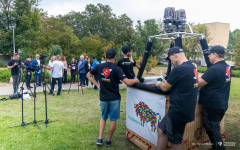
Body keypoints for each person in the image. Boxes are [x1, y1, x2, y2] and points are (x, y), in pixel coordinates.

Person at [87, 48, 139, 147]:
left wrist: (97, 85)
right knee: (113, 119)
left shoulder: (99, 66)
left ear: (106, 56)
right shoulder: (117, 68)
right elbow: (127, 82)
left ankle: (100, 138)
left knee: (103, 117)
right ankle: (109, 140)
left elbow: (88, 75)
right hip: (114, 98)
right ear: (115, 57)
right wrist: (136, 80)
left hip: (103, 97)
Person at [155, 46, 198, 150]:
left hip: (178, 111)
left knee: (175, 141)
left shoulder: (179, 69)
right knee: (161, 129)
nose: (171, 62)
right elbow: (183, 83)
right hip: (184, 109)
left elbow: (165, 88)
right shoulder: (192, 67)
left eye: (170, 59)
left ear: (175, 55)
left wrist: (159, 84)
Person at [198, 46, 231, 150]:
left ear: (215, 55)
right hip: (222, 104)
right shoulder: (227, 67)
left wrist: (193, 71)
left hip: (212, 106)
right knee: (214, 130)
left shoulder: (214, 69)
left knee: (214, 133)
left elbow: (199, 83)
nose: (208, 56)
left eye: (209, 54)